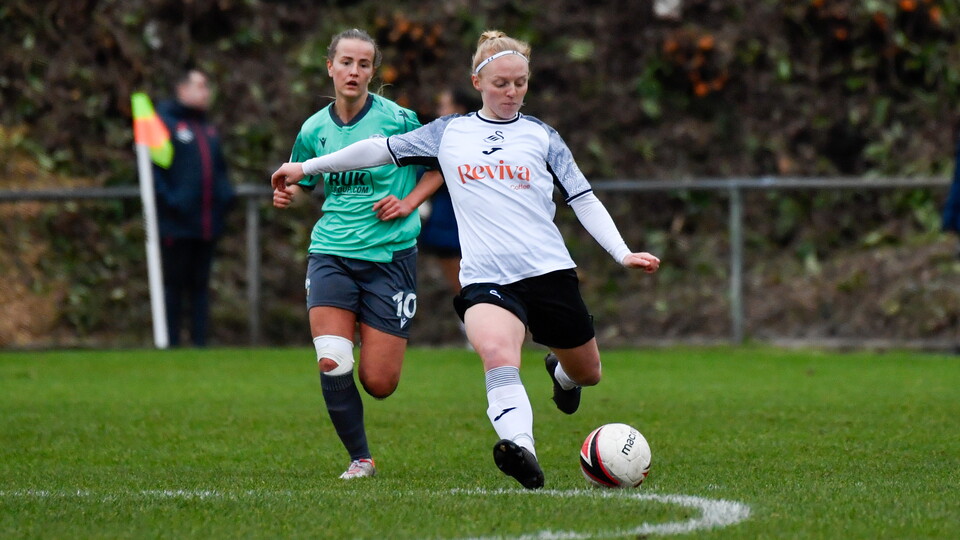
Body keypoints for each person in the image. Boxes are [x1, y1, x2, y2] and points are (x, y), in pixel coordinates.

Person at [272, 30, 660, 489]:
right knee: (498, 355)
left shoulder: (542, 137)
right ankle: (524, 451)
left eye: (520, 83)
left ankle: (562, 374)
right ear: (478, 81)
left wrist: (622, 252)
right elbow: (378, 148)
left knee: (587, 372)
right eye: (500, 83)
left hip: (548, 272)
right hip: (484, 280)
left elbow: (583, 197)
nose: (511, 92)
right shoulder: (450, 132)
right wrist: (307, 167)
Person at [271, 28, 442, 480]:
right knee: (332, 358)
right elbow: (302, 179)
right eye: (346, 62)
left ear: (373, 71)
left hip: (390, 258)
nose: (354, 71)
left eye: (364, 64)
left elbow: (440, 165)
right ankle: (360, 458)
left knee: (379, 382)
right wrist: (287, 194)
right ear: (330, 66)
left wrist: (408, 203)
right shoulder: (313, 129)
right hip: (331, 253)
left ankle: (373, 332)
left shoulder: (399, 120)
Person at [154, 68, 235, 347]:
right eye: (200, 86)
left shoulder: (207, 129)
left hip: (207, 222)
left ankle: (200, 343)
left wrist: (226, 198)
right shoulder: (165, 124)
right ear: (182, 90)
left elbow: (220, 172)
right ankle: (171, 343)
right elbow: (154, 172)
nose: (206, 92)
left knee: (200, 285)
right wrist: (172, 202)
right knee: (174, 285)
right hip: (176, 223)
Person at [418, 88, 480, 298]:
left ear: (459, 109)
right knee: (466, 294)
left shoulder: (461, 142)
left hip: (457, 232)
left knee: (470, 295)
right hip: (448, 230)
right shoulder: (440, 139)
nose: (439, 111)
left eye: (444, 105)